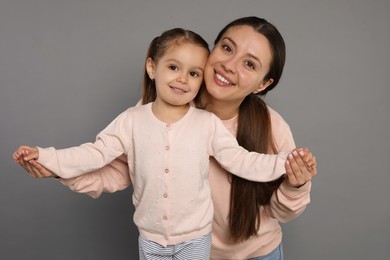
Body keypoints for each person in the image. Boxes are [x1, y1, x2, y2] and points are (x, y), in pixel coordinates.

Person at [14, 17, 317, 259]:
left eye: (249, 64)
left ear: (263, 83)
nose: (229, 64)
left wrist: (295, 182)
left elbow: (279, 206)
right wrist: (56, 168)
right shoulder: (150, 114)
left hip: (258, 254)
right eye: (226, 48)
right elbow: (114, 170)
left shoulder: (272, 127)